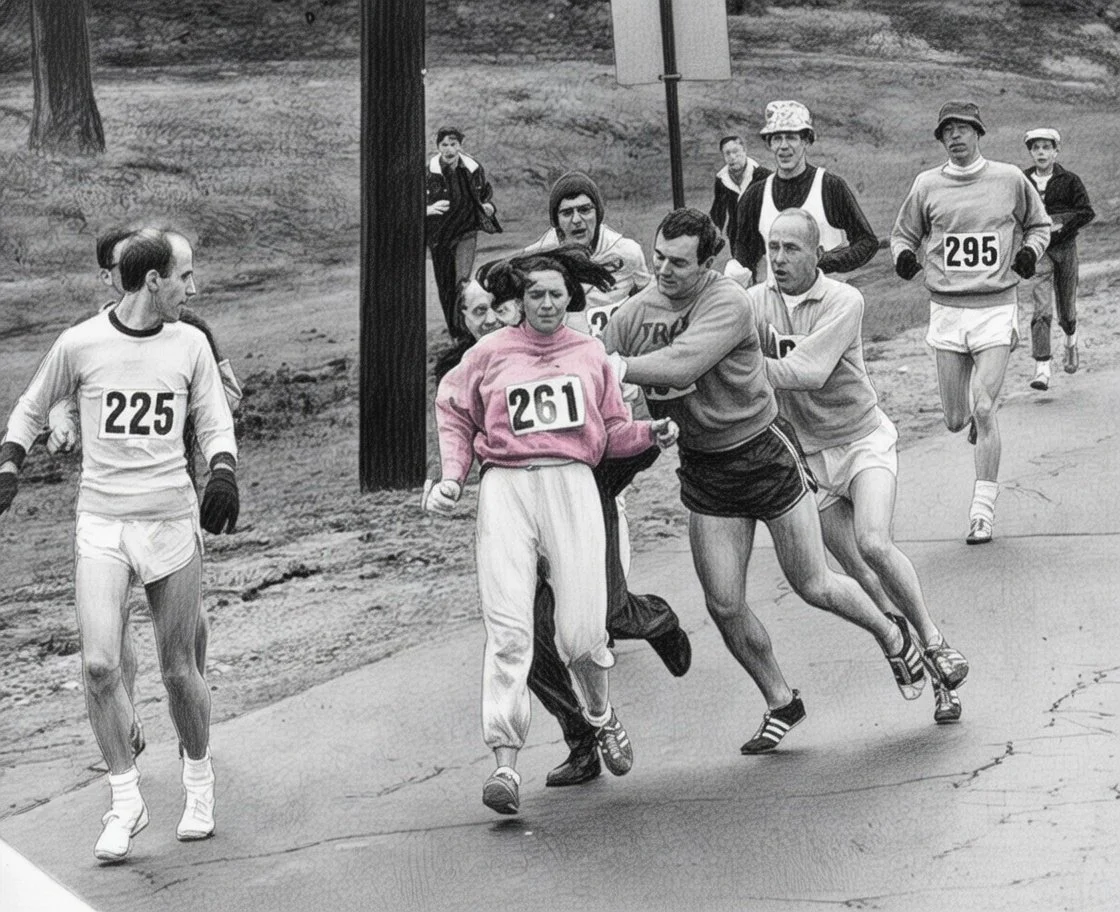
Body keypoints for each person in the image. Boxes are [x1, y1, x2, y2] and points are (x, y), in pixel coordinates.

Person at [603, 208, 927, 756]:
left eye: (679, 262)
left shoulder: (728, 302)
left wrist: (615, 367)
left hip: (762, 454)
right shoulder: (635, 313)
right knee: (723, 603)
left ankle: (892, 634)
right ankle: (781, 700)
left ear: (707, 263)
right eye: (658, 257)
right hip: (705, 467)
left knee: (813, 583)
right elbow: (595, 365)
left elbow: (682, 365)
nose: (665, 270)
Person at [0, 228, 240, 863]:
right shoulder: (80, 342)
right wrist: (10, 463)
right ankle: (125, 798)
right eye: (182, 278)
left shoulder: (190, 343)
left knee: (177, 668)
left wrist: (222, 471)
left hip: (169, 520)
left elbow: (216, 418)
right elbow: (31, 405)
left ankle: (198, 779)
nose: (192, 290)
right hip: (102, 520)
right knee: (101, 665)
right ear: (153, 280)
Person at [425, 247, 679, 815]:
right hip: (507, 489)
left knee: (582, 632)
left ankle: (599, 714)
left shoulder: (590, 354)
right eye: (534, 294)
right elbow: (452, 408)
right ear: (518, 300)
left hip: (572, 487)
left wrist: (648, 433)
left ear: (571, 299)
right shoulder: (489, 353)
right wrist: (451, 476)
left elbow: (611, 431)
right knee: (510, 627)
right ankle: (505, 765)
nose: (544, 303)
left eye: (555, 295)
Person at [749, 208, 970, 724]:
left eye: (791, 249)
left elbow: (807, 371)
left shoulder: (845, 299)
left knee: (874, 542)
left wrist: (740, 366)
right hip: (808, 456)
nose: (778, 259)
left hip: (861, 441)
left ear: (817, 254)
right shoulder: (753, 302)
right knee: (863, 579)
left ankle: (935, 643)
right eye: (772, 248)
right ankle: (928, 671)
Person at [891, 101, 1051, 545]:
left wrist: (1028, 253)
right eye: (948, 132)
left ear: (978, 133)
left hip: (995, 306)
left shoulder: (1008, 179)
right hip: (946, 309)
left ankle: (982, 512)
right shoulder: (926, 185)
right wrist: (904, 257)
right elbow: (903, 233)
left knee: (984, 407)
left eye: (963, 130)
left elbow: (1039, 226)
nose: (956, 138)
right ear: (941, 139)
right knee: (956, 419)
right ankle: (978, 421)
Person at [732, 100, 878, 286]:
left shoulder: (829, 187)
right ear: (770, 144)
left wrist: (826, 261)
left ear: (806, 140)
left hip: (827, 303)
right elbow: (744, 257)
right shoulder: (755, 196)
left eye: (791, 137)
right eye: (777, 138)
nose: (784, 146)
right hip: (778, 306)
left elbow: (867, 242)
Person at [522, 171, 651, 338]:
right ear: (556, 221)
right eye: (567, 213)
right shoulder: (536, 257)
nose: (576, 219)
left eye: (584, 210)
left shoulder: (627, 252)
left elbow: (650, 302)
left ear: (598, 213)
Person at [1021, 127, 1095, 390]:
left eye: (1046, 147)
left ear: (1056, 151)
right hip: (1038, 251)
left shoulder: (1070, 180)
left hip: (1065, 249)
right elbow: (1015, 211)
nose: (1040, 152)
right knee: (1041, 308)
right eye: (1035, 148)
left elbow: (1087, 212)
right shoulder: (1022, 180)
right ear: (1030, 152)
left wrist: (1063, 224)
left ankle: (1071, 341)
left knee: (1067, 308)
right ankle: (1042, 369)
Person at [425, 126, 502, 339]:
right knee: (445, 286)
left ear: (460, 145)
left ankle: (465, 332)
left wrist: (489, 208)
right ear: (438, 146)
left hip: (466, 231)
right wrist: (427, 210)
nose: (449, 149)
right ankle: (454, 332)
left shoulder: (472, 167)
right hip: (440, 237)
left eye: (453, 144)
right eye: (444, 144)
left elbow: (485, 193)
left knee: (461, 284)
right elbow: (412, 200)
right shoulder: (429, 171)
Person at [709, 134, 770, 280]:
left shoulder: (763, 175)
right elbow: (718, 210)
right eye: (727, 153)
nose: (732, 157)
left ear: (744, 151)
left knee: (763, 274)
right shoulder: (722, 179)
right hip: (737, 235)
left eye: (736, 152)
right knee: (740, 273)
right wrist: (714, 234)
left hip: (761, 233)